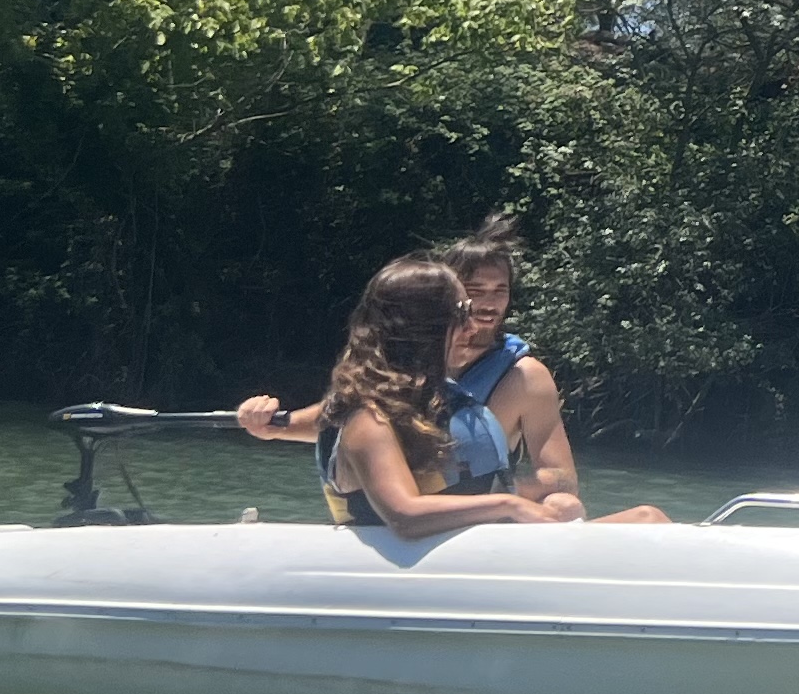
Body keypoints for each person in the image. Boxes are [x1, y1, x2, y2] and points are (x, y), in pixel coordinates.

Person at [238, 215, 667, 525]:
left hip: (472, 529)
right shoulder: (370, 415)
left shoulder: (512, 379)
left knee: (630, 515)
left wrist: (507, 496)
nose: (479, 313)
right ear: (431, 319)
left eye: (499, 291)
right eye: (466, 302)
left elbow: (561, 482)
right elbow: (400, 504)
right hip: (444, 536)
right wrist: (272, 425)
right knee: (641, 521)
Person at [306, 257, 574, 536]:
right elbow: (404, 517)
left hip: (476, 554)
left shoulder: (429, 402)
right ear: (423, 329)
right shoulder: (369, 420)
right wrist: (510, 504)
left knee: (568, 506)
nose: (472, 328)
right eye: (462, 315)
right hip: (401, 570)